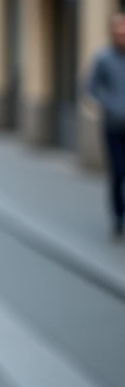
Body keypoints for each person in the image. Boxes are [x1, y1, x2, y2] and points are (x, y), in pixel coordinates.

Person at [86, 13, 125, 240]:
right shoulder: (103, 58)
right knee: (118, 171)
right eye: (119, 30)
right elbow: (91, 88)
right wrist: (108, 105)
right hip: (113, 125)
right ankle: (118, 216)